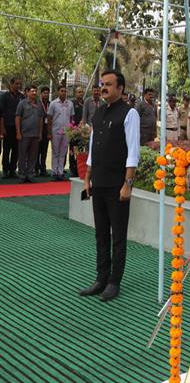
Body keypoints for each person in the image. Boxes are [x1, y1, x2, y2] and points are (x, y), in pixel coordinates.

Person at [79, 69, 140, 302]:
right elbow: (93, 147)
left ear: (120, 88)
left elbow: (133, 152)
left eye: (109, 84)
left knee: (118, 235)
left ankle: (114, 282)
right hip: (99, 181)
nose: (103, 87)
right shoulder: (99, 112)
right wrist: (87, 177)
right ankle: (101, 278)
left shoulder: (129, 113)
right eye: (102, 84)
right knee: (101, 233)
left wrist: (128, 184)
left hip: (117, 184)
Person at [15, 85, 44, 183]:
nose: (34, 93)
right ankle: (22, 175)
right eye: (32, 91)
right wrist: (18, 132)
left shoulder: (39, 103)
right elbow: (17, 117)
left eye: (35, 91)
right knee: (22, 155)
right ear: (27, 92)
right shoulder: (22, 103)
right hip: (24, 134)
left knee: (33, 156)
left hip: (35, 134)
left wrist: (40, 133)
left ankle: (30, 174)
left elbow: (40, 119)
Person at [47, 85, 74, 181]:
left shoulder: (70, 103)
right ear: (58, 92)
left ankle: (61, 172)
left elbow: (72, 118)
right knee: (55, 152)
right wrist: (49, 132)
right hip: (55, 131)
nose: (64, 93)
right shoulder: (53, 103)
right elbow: (49, 118)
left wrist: (71, 130)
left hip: (66, 132)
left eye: (65, 91)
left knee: (63, 153)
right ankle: (54, 172)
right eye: (62, 91)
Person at [1, 77, 24, 178]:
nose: (18, 86)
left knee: (16, 150)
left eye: (19, 84)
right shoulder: (4, 96)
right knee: (6, 149)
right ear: (11, 84)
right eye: (16, 84)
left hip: (18, 127)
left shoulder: (22, 97)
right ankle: (5, 170)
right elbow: (1, 114)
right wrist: (2, 128)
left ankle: (13, 170)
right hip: (8, 126)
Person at [70, 86, 85, 177]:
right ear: (75, 93)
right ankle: (72, 169)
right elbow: (70, 117)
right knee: (73, 151)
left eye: (82, 92)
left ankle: (80, 169)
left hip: (83, 132)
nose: (81, 93)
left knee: (82, 151)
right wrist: (72, 129)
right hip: (74, 131)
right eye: (79, 92)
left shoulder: (85, 103)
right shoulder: (72, 103)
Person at [36, 86, 51, 176]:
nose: (46, 94)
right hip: (38, 129)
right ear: (41, 94)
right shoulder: (37, 103)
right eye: (44, 93)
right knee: (37, 151)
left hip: (46, 129)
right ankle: (36, 168)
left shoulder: (50, 103)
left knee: (44, 150)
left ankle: (43, 169)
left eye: (47, 93)